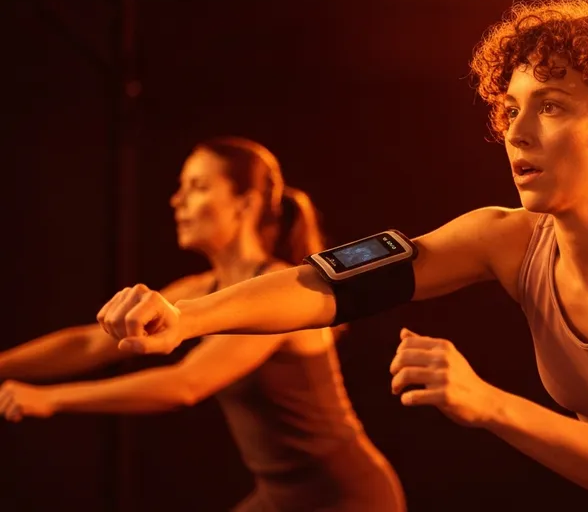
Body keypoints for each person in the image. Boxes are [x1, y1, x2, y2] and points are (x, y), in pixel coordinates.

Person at [96, 0, 588, 511]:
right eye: (511, 108)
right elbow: (331, 284)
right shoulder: (504, 238)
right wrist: (187, 316)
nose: (516, 134)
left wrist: (487, 402)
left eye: (552, 107)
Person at [0, 137, 406, 512]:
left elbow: (185, 384)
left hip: (346, 497)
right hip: (280, 497)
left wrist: (50, 399)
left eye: (197, 187)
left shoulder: (281, 291)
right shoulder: (202, 289)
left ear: (244, 205)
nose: (177, 200)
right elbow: (90, 343)